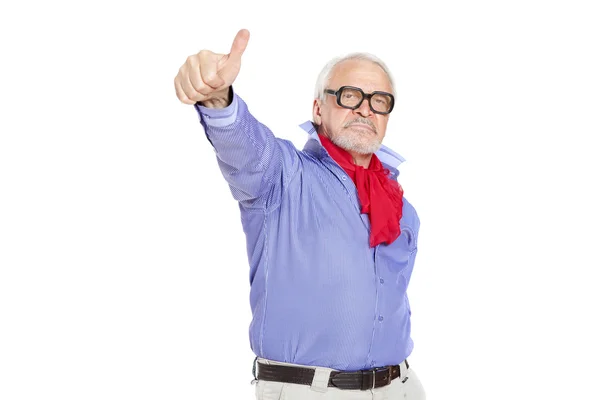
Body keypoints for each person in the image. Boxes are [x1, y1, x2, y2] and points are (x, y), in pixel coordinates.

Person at [174, 29, 427, 400]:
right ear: (318, 109)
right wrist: (218, 99)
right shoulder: (282, 177)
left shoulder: (401, 207)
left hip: (401, 387)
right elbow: (246, 147)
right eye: (350, 95)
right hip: (312, 391)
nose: (365, 108)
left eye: (379, 100)